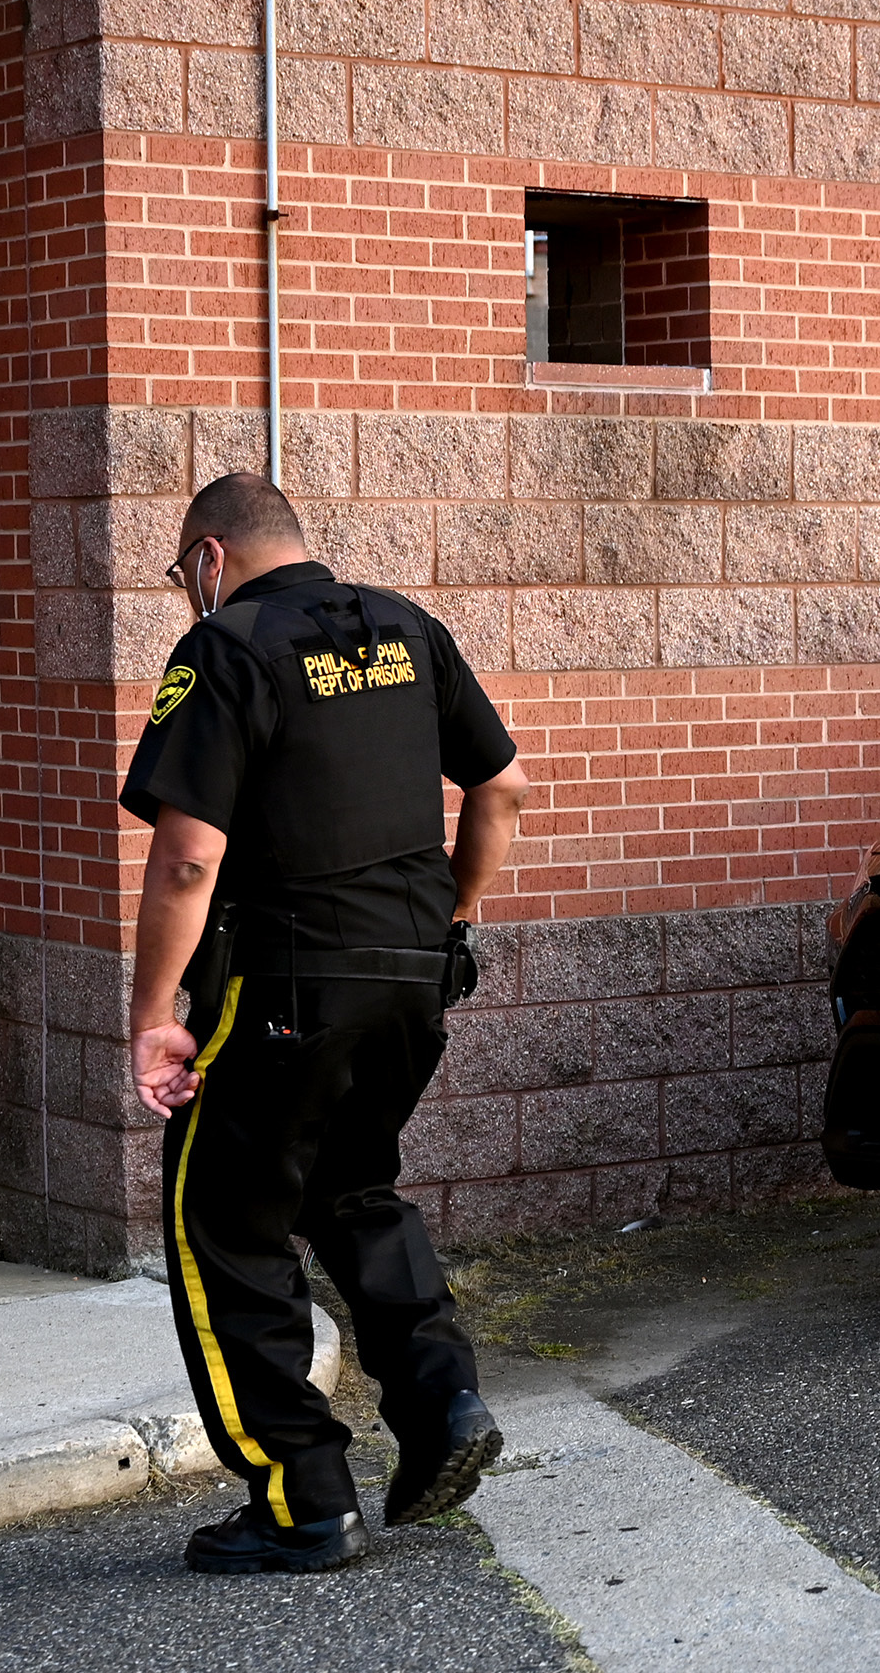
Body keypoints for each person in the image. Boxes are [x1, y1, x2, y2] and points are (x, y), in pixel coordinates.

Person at [120, 471, 530, 1574]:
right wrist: (451, 916)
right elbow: (501, 790)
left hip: (288, 984)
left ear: (208, 557)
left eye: (180, 573)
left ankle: (303, 1496)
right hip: (412, 972)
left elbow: (189, 855)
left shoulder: (227, 647)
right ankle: (445, 1399)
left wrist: (153, 1010)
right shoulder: (406, 625)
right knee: (352, 1187)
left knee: (225, 1224)